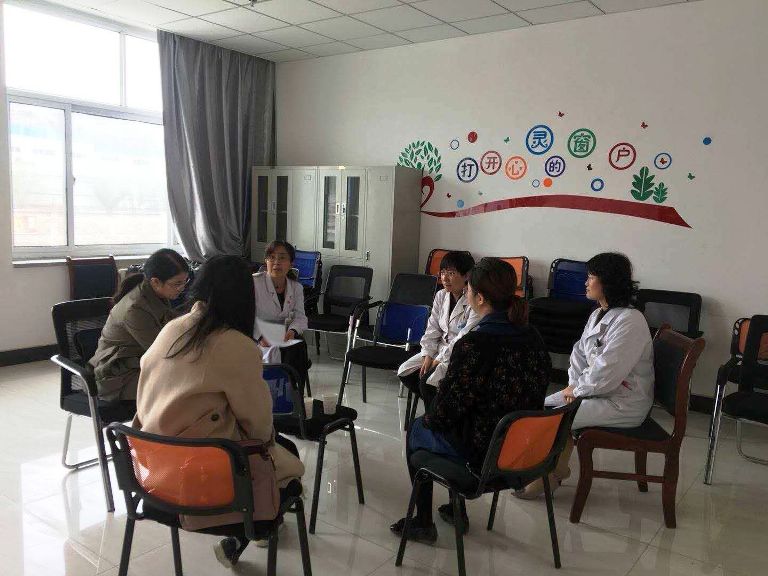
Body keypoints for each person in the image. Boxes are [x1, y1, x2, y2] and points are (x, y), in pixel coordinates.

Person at [133, 255, 305, 568]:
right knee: (285, 456)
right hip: (197, 476)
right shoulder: (235, 344)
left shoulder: (171, 329)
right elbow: (259, 426)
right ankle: (255, 529)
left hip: (154, 471)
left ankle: (243, 538)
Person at [390, 258, 551, 543]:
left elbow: (446, 414)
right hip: (525, 449)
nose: (465, 294)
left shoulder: (474, 344)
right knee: (444, 421)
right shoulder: (533, 335)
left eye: (469, 290)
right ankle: (455, 510)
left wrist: (432, 415)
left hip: (483, 453)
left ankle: (423, 521)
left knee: (418, 429)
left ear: (479, 298)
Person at [517, 252, 654, 499]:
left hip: (622, 401)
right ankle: (555, 469)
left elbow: (608, 372)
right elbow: (578, 354)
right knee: (538, 408)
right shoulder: (598, 313)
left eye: (591, 277)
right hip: (595, 392)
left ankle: (548, 475)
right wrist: (574, 386)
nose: (586, 282)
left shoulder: (630, 321)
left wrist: (577, 391)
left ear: (607, 282)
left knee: (550, 417)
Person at [89, 249, 189, 403]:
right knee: (184, 386)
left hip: (139, 364)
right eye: (177, 284)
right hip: (117, 377)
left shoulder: (156, 294)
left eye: (184, 282)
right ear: (155, 282)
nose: (182, 288)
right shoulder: (135, 309)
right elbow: (162, 351)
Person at [397, 251, 478, 410]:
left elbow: (462, 338)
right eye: (442, 273)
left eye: (451, 273)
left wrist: (438, 360)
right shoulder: (441, 295)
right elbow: (432, 327)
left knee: (428, 381)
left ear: (466, 275)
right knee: (405, 371)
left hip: (457, 354)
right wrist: (427, 354)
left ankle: (435, 411)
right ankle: (437, 405)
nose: (445, 278)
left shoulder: (473, 301)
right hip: (438, 348)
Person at [253, 241, 310, 387]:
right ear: (266, 261)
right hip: (257, 338)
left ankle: (294, 393)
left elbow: (300, 317)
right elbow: (244, 315)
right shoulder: (254, 283)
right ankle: (283, 391)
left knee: (298, 346)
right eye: (272, 257)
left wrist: (292, 331)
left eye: (282, 257)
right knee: (290, 353)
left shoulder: (296, 287)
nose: (276, 262)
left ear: (291, 263)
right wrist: (260, 337)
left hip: (282, 337)